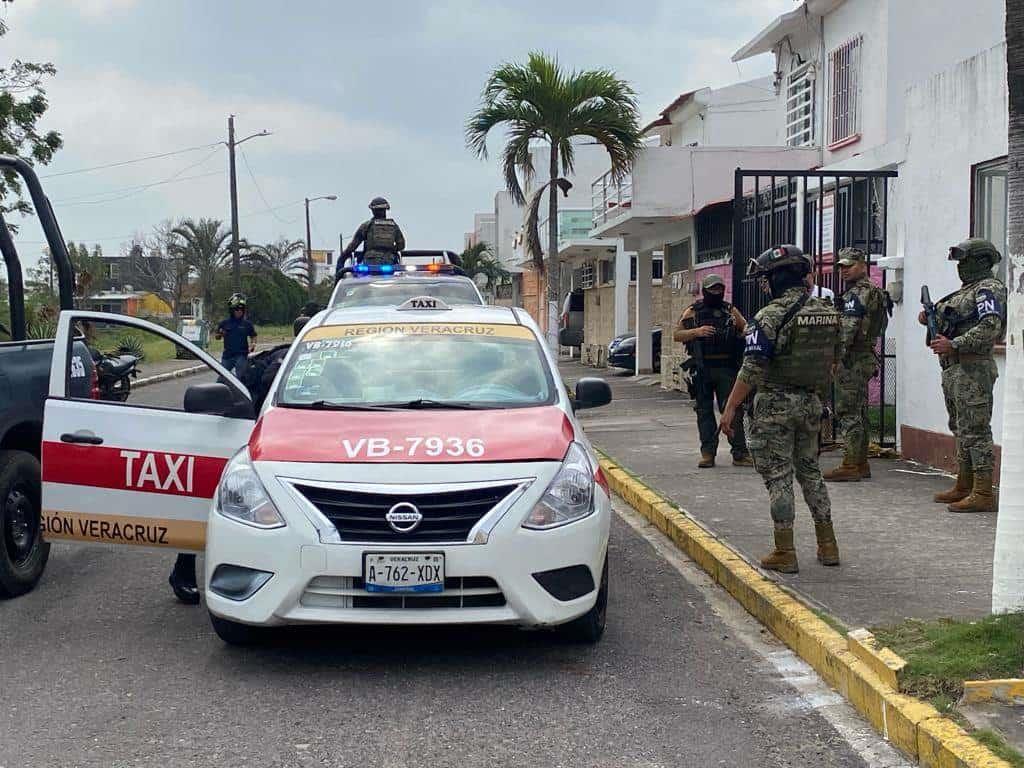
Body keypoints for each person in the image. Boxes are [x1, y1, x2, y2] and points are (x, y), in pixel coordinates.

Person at [719, 245, 841, 573]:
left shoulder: (769, 316)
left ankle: (785, 551)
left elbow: (752, 368)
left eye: (766, 279)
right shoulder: (829, 312)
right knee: (810, 472)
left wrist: (730, 407)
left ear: (777, 279)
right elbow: (834, 362)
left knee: (779, 476)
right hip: (811, 404)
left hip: (774, 406)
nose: (763, 285)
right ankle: (828, 545)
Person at [919, 237, 1007, 513]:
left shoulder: (988, 289)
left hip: (973, 367)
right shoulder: (966, 291)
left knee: (976, 429)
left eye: (965, 261)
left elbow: (989, 327)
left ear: (980, 262)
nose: (960, 267)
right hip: (954, 368)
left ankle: (982, 491)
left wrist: (953, 344)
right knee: (960, 427)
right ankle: (964, 483)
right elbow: (957, 321)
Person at [824, 247, 889, 482]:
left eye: (849, 266)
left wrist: (834, 358)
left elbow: (848, 330)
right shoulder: (874, 291)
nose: (843, 270)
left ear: (863, 265)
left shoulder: (858, 294)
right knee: (859, 412)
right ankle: (860, 462)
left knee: (848, 411)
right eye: (841, 266)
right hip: (864, 355)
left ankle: (851, 464)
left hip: (852, 358)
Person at [674, 274, 752, 468]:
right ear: (705, 290)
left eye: (719, 289)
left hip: (727, 368)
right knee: (704, 412)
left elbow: (746, 329)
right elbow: (677, 334)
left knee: (733, 412)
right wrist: (696, 332)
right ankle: (708, 453)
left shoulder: (730, 310)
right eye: (712, 289)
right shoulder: (693, 310)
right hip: (702, 368)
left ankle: (740, 453)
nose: (716, 292)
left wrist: (740, 333)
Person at [340, 197, 406, 271]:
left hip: (370, 261)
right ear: (385, 210)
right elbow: (401, 245)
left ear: (373, 210)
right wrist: (390, 250)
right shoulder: (394, 226)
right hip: (389, 261)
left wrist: (343, 257)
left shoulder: (367, 225)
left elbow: (353, 245)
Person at [215, 293, 257, 379]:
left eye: (241, 309)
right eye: (237, 309)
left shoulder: (247, 324)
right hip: (227, 355)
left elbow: (253, 336)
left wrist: (253, 344)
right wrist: (221, 334)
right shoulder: (224, 323)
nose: (239, 311)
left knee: (240, 378)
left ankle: (240, 390)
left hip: (241, 355)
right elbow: (217, 337)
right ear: (232, 310)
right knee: (221, 378)